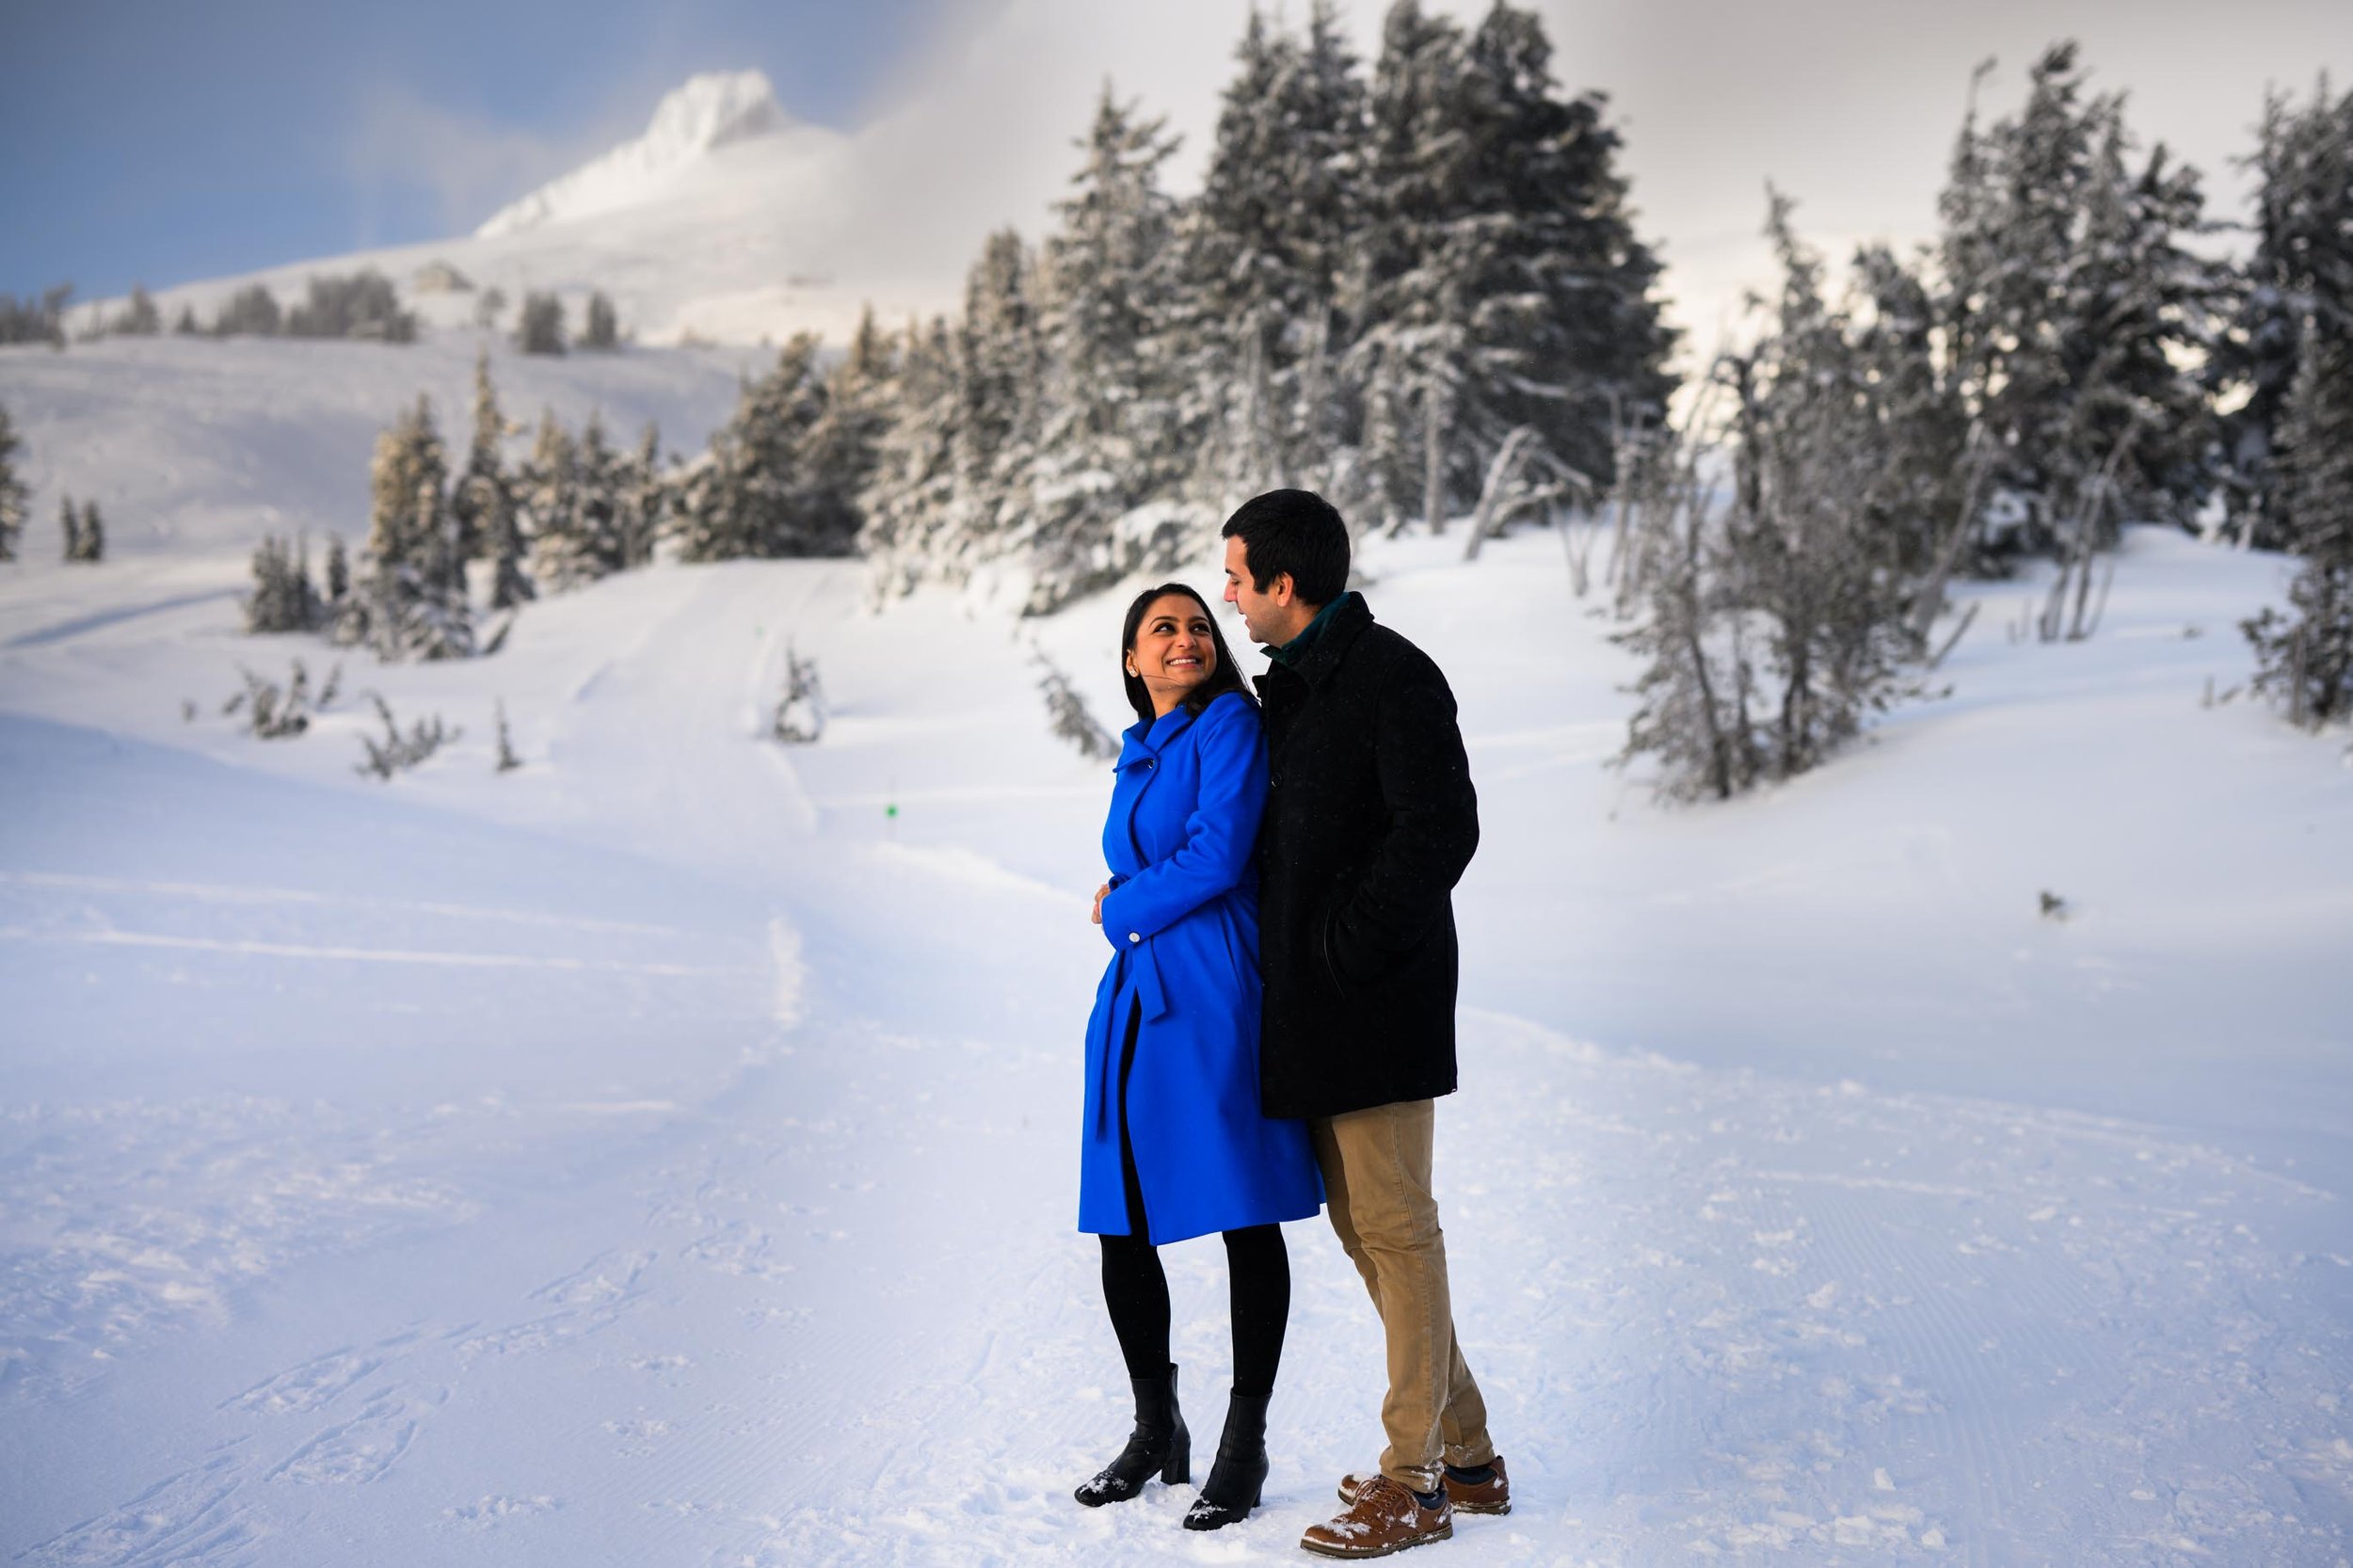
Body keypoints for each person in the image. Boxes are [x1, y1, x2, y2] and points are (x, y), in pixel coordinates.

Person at [1219, 490, 1508, 1559]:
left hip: (1375, 998)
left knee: (1396, 1226)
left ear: (1285, 585)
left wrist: (1346, 942)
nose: (1229, 595)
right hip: (1317, 1008)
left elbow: (1442, 828)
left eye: (1239, 577)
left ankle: (1414, 1481)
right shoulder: (1295, 689)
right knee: (1367, 1233)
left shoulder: (1389, 674)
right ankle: (1467, 1457)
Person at [1075, 582, 1324, 1531]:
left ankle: (1243, 1442)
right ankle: (1155, 1427)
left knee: (1240, 1210)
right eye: (1161, 629)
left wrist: (1119, 905)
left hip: (1215, 989)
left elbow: (1219, 855)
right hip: (1138, 999)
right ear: (1133, 660)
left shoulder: (1227, 725)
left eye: (1197, 625)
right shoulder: (1137, 754)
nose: (1185, 638)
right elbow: (1151, 858)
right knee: (1122, 1215)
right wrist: (1128, 899)